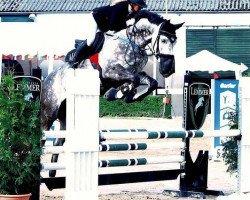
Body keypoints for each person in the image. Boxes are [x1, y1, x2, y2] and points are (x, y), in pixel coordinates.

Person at [68, 0, 147, 68]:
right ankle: (74, 59)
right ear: (133, 3)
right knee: (91, 40)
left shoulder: (132, 12)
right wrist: (127, 24)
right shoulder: (121, 7)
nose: (140, 8)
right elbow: (113, 25)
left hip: (105, 23)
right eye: (139, 6)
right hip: (96, 17)